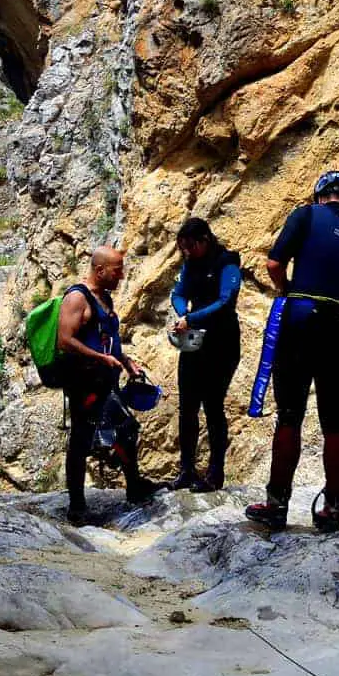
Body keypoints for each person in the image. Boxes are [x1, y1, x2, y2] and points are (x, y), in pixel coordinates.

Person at [245, 170, 339, 533]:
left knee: (290, 415)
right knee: (335, 421)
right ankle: (333, 511)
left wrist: (287, 288)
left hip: (300, 323)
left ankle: (277, 504)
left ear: (320, 194)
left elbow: (274, 264)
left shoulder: (305, 215)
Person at [57, 246, 163, 525]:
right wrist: (100, 358)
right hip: (84, 382)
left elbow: (108, 338)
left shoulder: (104, 299)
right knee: (82, 439)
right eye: (117, 270)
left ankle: (134, 486)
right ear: (100, 270)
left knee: (126, 430)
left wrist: (125, 361)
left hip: (106, 379)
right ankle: (77, 506)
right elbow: (65, 340)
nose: (121, 275)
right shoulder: (77, 298)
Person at [169, 218, 242, 492]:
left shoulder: (227, 263)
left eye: (190, 246)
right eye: (183, 248)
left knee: (213, 406)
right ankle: (187, 469)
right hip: (194, 342)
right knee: (187, 407)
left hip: (221, 342)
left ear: (204, 240)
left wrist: (193, 317)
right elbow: (178, 292)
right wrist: (183, 313)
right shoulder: (191, 265)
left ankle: (215, 472)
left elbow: (225, 302)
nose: (187, 252)